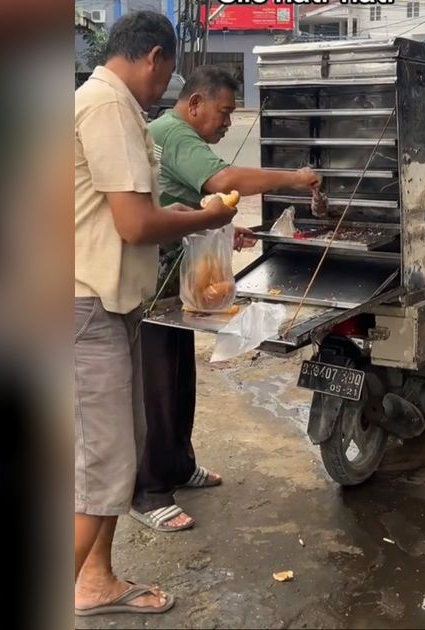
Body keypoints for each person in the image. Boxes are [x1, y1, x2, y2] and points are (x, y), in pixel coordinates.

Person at [72, 12, 237, 617]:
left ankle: (97, 580)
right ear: (157, 59)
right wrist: (209, 218)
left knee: (116, 456)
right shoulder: (108, 106)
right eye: (167, 73)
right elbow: (136, 223)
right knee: (102, 464)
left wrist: (197, 221)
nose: (164, 85)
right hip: (87, 304)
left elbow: (134, 209)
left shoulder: (108, 103)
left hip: (110, 304)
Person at [129, 65, 320, 532]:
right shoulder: (175, 133)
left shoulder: (166, 131)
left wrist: (220, 226)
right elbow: (223, 180)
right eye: (225, 112)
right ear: (195, 103)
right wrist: (295, 178)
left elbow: (176, 197)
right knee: (153, 386)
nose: (229, 123)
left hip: (175, 281)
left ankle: (178, 464)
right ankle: (149, 490)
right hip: (152, 282)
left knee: (177, 376)